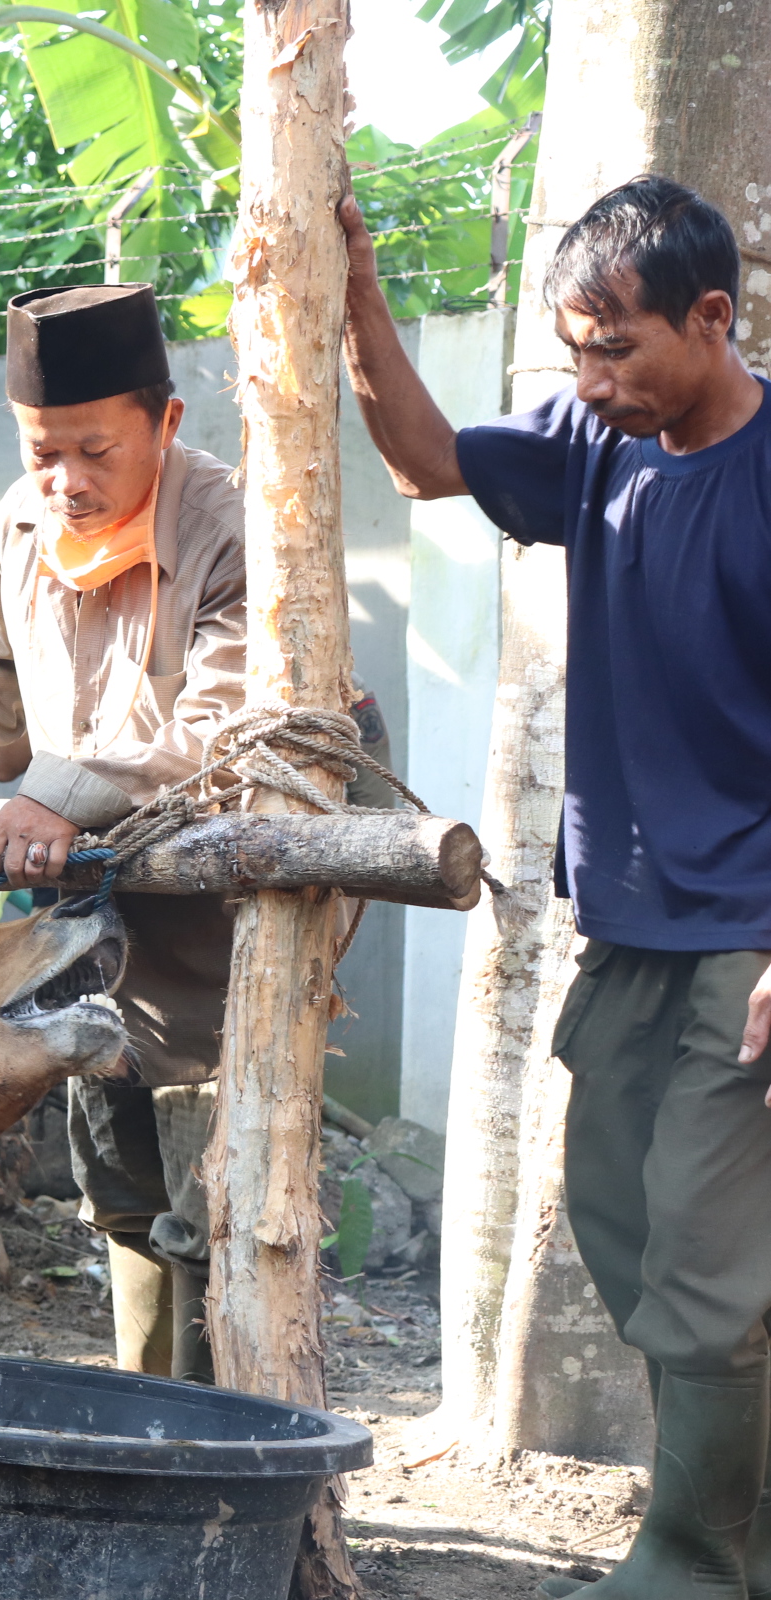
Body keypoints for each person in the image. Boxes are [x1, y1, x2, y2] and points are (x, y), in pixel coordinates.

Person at [343, 174, 771, 1600]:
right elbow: (418, 458)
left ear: (713, 320)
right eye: (574, 351)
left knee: (707, 1269)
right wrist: (349, 279)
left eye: (617, 348)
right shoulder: (599, 441)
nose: (589, 380)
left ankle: (691, 1564)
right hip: (632, 921)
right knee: (625, 1224)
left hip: (750, 933)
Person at [0, 283, 390, 1385]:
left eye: (92, 450)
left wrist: (53, 796)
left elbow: (214, 739)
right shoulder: (25, 526)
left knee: (213, 1201)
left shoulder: (238, 529)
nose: (64, 481)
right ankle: (146, 1413)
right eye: (40, 452)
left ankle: (221, 1442)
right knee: (118, 1190)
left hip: (226, 935)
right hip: (96, 919)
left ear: (165, 424)